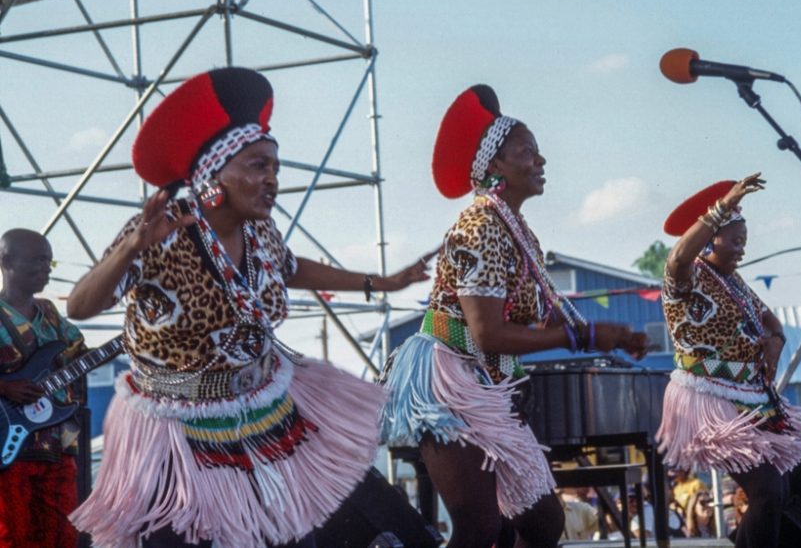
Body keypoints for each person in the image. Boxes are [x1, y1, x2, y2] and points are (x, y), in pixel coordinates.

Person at [65, 68, 430, 548]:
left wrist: (380, 282)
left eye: (276, 168)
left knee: (317, 531)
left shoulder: (261, 232)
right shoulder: (161, 232)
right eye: (259, 166)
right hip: (178, 425)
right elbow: (80, 305)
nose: (273, 180)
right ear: (215, 174)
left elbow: (292, 267)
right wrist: (130, 249)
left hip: (261, 407)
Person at [379, 84, 648, 548]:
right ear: (495, 166)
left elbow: (533, 327)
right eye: (528, 152)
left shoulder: (519, 231)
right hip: (448, 382)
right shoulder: (479, 226)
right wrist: (583, 337)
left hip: (486, 383)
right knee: (480, 527)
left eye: (539, 152)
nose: (541, 161)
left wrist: (610, 335)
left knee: (543, 522)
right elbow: (487, 334)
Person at [655, 174, 801, 548]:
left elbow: (771, 320)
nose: (741, 248)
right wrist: (722, 205)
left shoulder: (733, 281)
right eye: (735, 240)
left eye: (744, 241)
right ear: (710, 238)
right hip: (707, 396)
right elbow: (677, 256)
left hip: (747, 395)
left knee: (778, 488)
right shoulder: (687, 276)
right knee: (767, 489)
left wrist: (776, 340)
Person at [0, 229, 86, 548]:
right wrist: (5, 387)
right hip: (8, 447)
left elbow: (79, 352)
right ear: (5, 261)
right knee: (13, 534)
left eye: (50, 262)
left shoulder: (49, 313)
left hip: (57, 444)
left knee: (62, 535)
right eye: (38, 260)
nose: (46, 269)